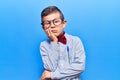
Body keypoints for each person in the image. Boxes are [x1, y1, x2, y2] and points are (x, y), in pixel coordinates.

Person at [40, 6, 86, 80]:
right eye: (47, 23)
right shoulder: (43, 45)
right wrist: (54, 42)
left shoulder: (75, 41)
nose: (52, 26)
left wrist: (52, 75)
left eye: (56, 21)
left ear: (64, 23)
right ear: (43, 28)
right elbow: (51, 68)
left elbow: (80, 67)